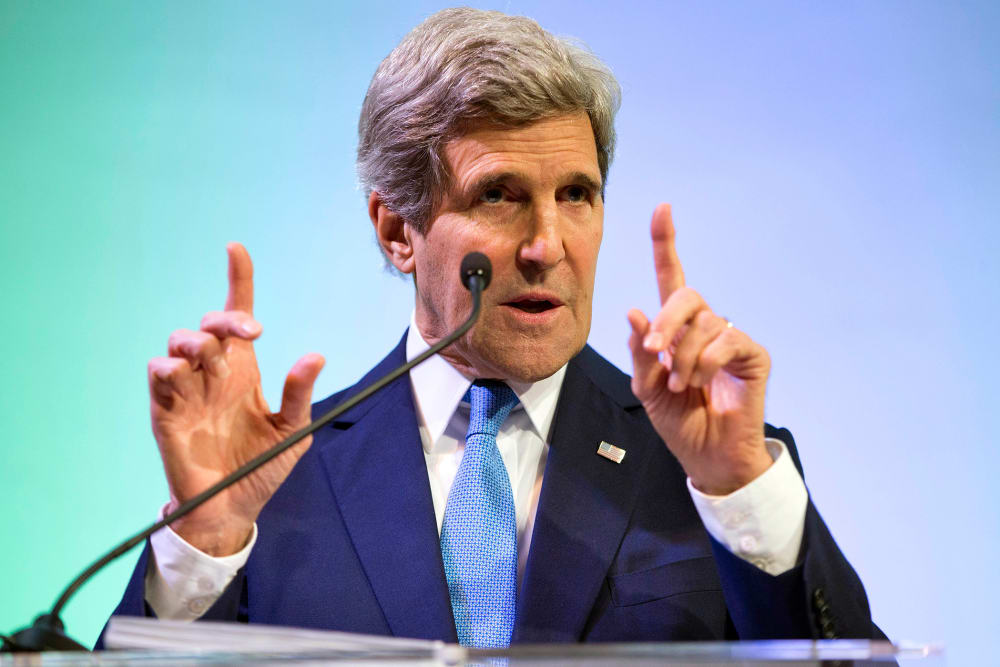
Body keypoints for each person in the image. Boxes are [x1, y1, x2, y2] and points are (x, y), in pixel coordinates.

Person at [108, 7, 881, 645]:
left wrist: (742, 489)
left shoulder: (708, 467)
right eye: (499, 195)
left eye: (577, 194)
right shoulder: (277, 476)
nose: (548, 246)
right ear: (396, 230)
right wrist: (203, 543)